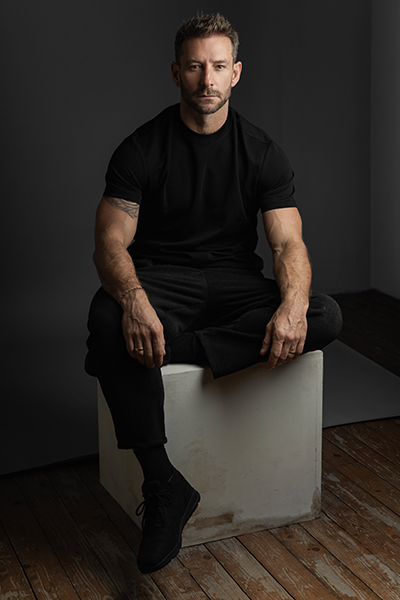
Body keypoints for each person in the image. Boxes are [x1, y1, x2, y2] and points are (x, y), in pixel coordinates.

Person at [85, 13, 342, 574]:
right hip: (163, 281)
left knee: (323, 313)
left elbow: (288, 244)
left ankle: (167, 349)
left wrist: (292, 305)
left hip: (234, 285)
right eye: (196, 67)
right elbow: (109, 242)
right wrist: (135, 301)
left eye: (219, 67)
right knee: (107, 316)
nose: (207, 80)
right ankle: (164, 484)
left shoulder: (263, 152)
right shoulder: (141, 148)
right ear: (175, 72)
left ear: (236, 73)